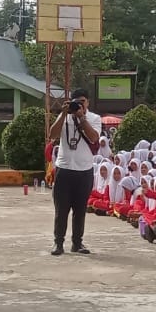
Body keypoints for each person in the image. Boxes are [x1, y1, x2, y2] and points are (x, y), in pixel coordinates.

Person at [48, 88, 102, 256]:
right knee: (61, 210)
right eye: (76, 102)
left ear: (88, 103)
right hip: (64, 169)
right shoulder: (64, 117)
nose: (79, 105)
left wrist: (82, 118)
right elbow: (52, 134)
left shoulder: (94, 118)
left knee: (80, 210)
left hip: (84, 170)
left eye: (83, 102)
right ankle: (58, 243)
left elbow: (94, 137)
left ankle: (77, 243)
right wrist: (64, 114)